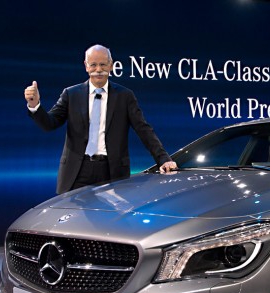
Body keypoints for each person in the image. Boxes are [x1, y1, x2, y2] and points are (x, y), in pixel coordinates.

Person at [24, 44, 177, 194]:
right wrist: (34, 105)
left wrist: (163, 159)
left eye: (103, 64)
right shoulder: (71, 94)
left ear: (111, 65)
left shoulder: (125, 96)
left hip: (112, 171)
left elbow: (143, 130)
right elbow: (49, 124)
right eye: (93, 65)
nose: (98, 69)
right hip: (77, 172)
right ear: (86, 66)